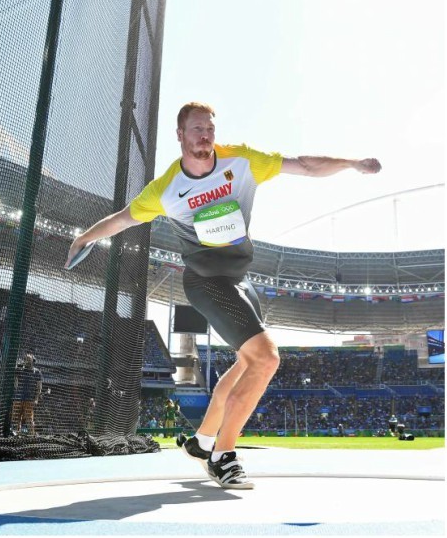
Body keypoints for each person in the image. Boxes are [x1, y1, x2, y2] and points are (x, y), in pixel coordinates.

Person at [67, 101, 380, 489]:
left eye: (210, 129)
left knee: (248, 363)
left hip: (239, 279)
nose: (206, 136)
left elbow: (305, 165)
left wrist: (351, 162)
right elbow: (125, 218)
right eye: (197, 129)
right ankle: (223, 456)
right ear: (180, 135)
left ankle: (201, 443)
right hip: (205, 281)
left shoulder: (242, 160)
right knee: (266, 359)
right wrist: (85, 237)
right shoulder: (166, 189)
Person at [11, 353, 43, 435]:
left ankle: (32, 436)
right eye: (25, 359)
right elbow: (14, 380)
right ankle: (16, 434)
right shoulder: (20, 370)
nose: (27, 361)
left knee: (29, 420)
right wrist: (19, 365)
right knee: (15, 419)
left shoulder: (37, 372)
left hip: (29, 400)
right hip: (18, 398)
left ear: (33, 360)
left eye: (29, 359)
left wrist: (36, 399)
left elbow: (39, 387)